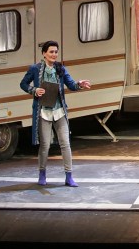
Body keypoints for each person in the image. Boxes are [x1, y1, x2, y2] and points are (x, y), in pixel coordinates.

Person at [19, 40, 92, 187]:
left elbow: (71, 85)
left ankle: (69, 176)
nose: (54, 54)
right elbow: (23, 84)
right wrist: (34, 90)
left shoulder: (60, 68)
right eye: (51, 52)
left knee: (65, 143)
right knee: (45, 145)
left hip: (59, 112)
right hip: (43, 112)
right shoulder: (35, 69)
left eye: (56, 52)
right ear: (44, 53)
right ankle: (42, 174)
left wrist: (79, 84)